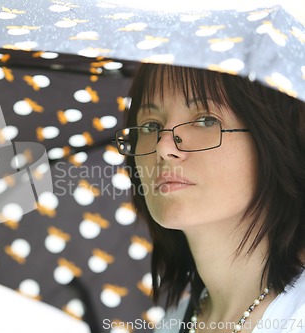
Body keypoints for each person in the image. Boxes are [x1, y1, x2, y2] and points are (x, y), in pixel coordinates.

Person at [115, 63, 305, 333]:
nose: (164, 146)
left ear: (274, 139)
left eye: (206, 120)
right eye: (150, 125)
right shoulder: (171, 325)